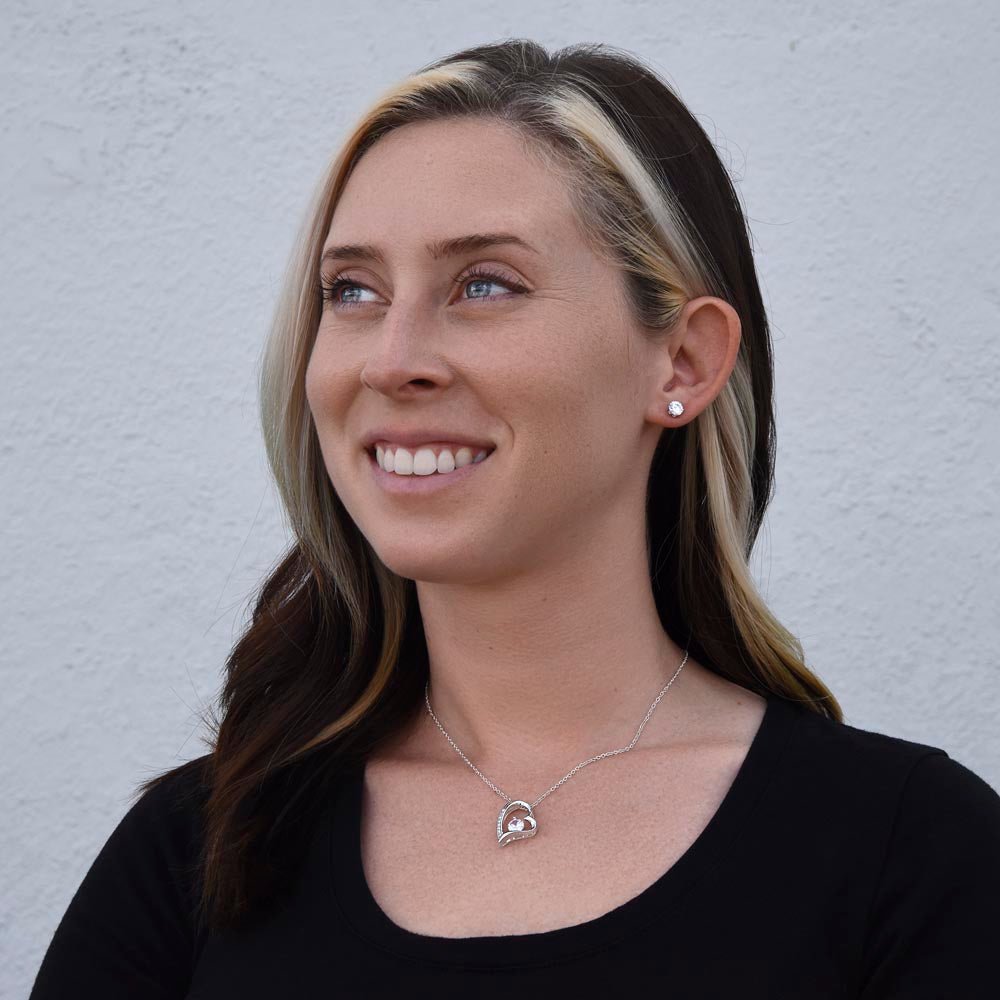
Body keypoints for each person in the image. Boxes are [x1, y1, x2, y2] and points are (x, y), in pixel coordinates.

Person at [29, 38, 1000, 999]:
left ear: (684, 362)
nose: (392, 358)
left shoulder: (910, 857)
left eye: (483, 283)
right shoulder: (199, 849)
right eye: (353, 290)